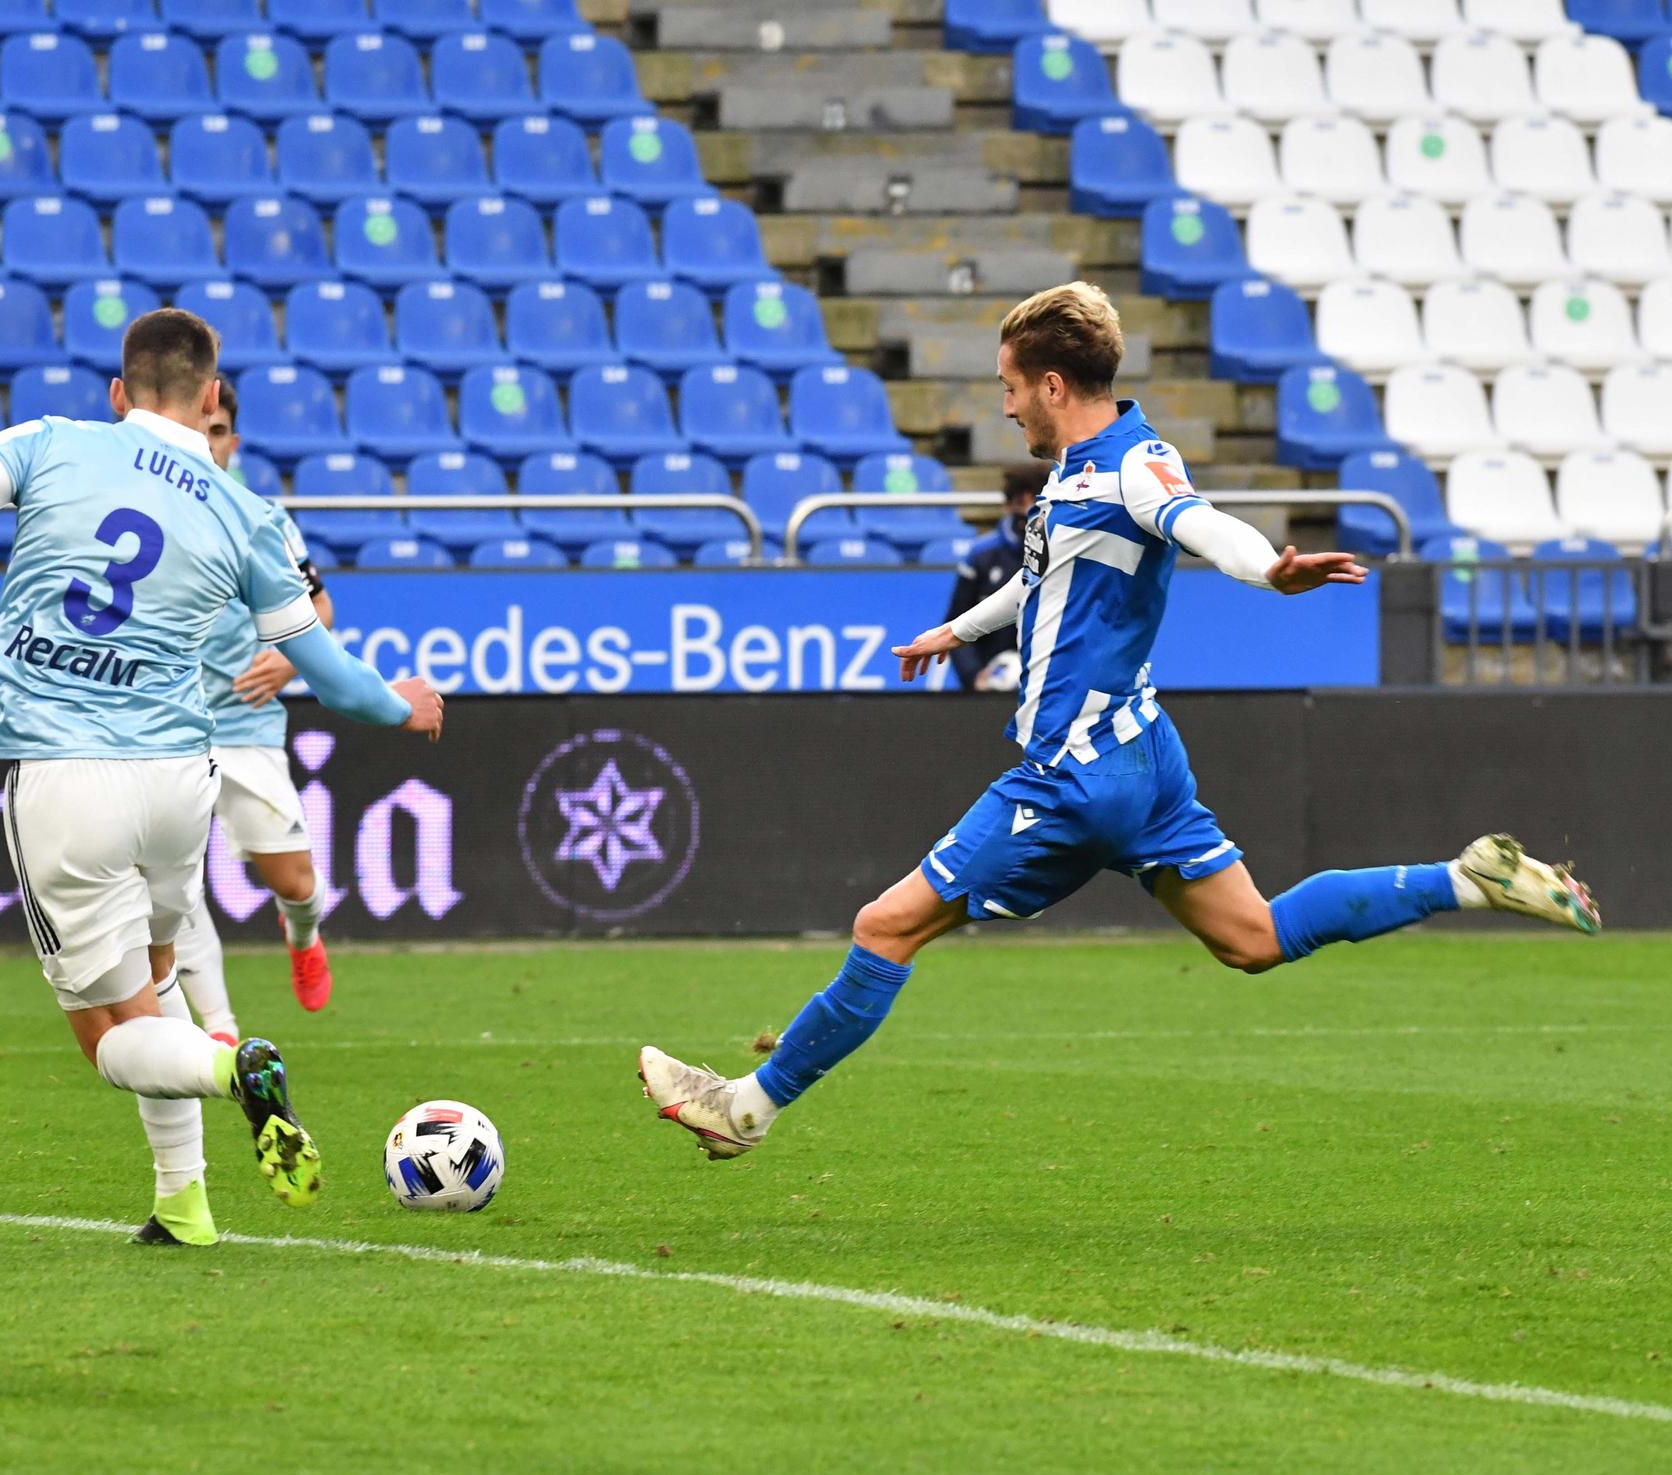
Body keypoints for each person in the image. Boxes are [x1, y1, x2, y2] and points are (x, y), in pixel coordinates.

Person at [639, 281, 1600, 1161]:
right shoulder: (1081, 472)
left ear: (1052, 384)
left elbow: (1199, 523)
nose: (1006, 404)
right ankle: (1466, 879)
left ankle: (747, 1110)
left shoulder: (1136, 468)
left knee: (885, 926)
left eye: (1011, 386)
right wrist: (953, 632)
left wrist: (1270, 569)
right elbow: (1037, 581)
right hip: (1142, 755)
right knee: (1252, 938)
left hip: (1071, 772)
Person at [0, 309, 446, 1245]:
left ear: (118, 392)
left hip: (66, 777)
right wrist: (402, 704)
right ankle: (185, 1206)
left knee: (110, 1036)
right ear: (213, 397)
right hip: (182, 780)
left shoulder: (51, 444)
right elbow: (334, 676)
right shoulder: (248, 512)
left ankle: (236, 1070)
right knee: (158, 979)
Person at [171, 378, 337, 1042]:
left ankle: (303, 934)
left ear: (231, 443)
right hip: (162, 726)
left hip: (244, 720)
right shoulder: (143, 509)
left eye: (217, 433)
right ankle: (219, 1028)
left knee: (294, 879)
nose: (205, 444)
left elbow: (318, 606)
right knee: (170, 886)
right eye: (196, 429)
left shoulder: (261, 516)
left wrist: (293, 658)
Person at [946, 463, 1043, 692]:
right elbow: (956, 622)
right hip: (990, 686)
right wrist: (974, 676)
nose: (1028, 514)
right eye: (1020, 503)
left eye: (1036, 505)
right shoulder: (981, 556)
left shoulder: (1068, 553)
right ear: (1007, 506)